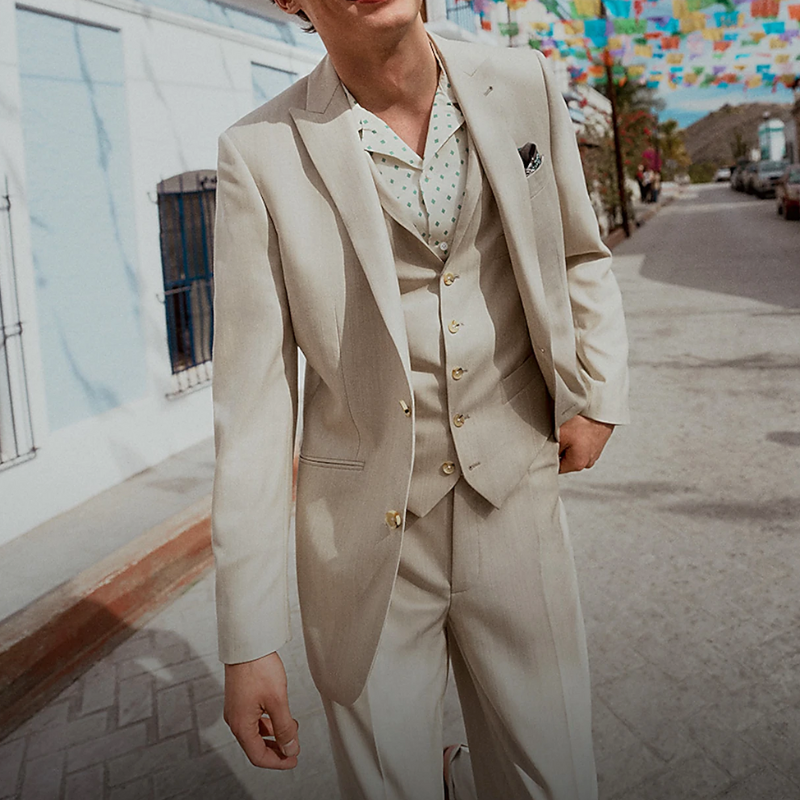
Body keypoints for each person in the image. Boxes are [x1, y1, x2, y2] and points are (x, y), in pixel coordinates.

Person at [210, 0, 630, 796]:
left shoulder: (523, 82)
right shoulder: (257, 153)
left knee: (556, 778)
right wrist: (248, 638)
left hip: (513, 497)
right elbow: (254, 408)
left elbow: (579, 249)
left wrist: (598, 390)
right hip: (363, 544)